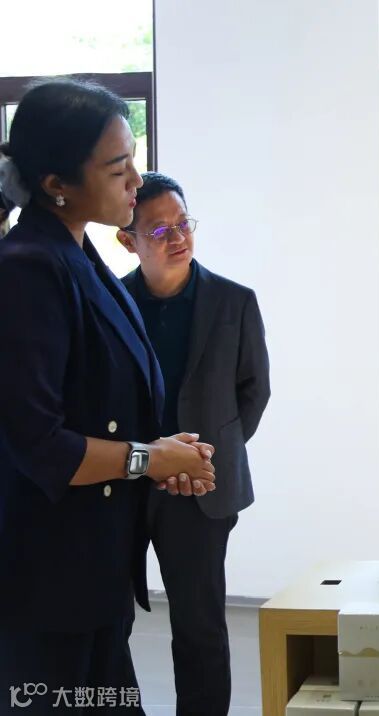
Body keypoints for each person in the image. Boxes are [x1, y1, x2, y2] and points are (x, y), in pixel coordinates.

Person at [0, 79, 216, 714]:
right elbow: (42, 445)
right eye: (118, 169)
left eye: (134, 161)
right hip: (47, 578)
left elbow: (103, 405)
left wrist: (164, 451)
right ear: (56, 184)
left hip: (94, 571)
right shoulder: (28, 269)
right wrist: (149, 459)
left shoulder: (80, 257)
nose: (136, 182)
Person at [117, 172, 271, 716]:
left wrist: (198, 459)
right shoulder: (111, 302)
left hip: (201, 491)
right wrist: (146, 460)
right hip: (122, 482)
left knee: (199, 626)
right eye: (159, 230)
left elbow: (253, 391)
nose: (178, 237)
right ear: (128, 240)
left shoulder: (234, 301)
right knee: (108, 620)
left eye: (183, 223)